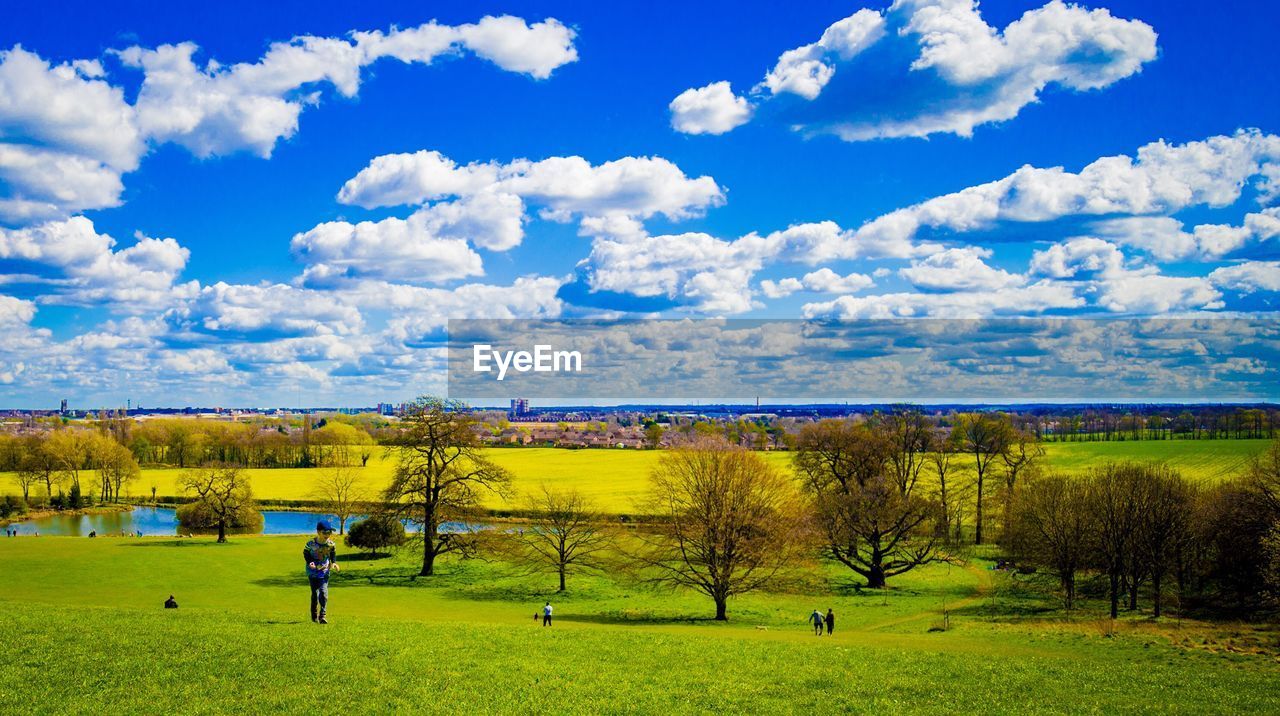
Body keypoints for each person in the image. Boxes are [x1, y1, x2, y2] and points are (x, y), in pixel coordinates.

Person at [303, 521, 340, 624]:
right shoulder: (311, 544)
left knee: (323, 593)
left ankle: (322, 616)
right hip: (312, 572)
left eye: (329, 533)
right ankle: (314, 614)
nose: (327, 535)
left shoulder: (331, 544)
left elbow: (332, 553)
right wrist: (310, 562)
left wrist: (334, 563)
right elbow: (306, 553)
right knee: (315, 593)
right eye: (325, 533)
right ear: (318, 532)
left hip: (324, 571)